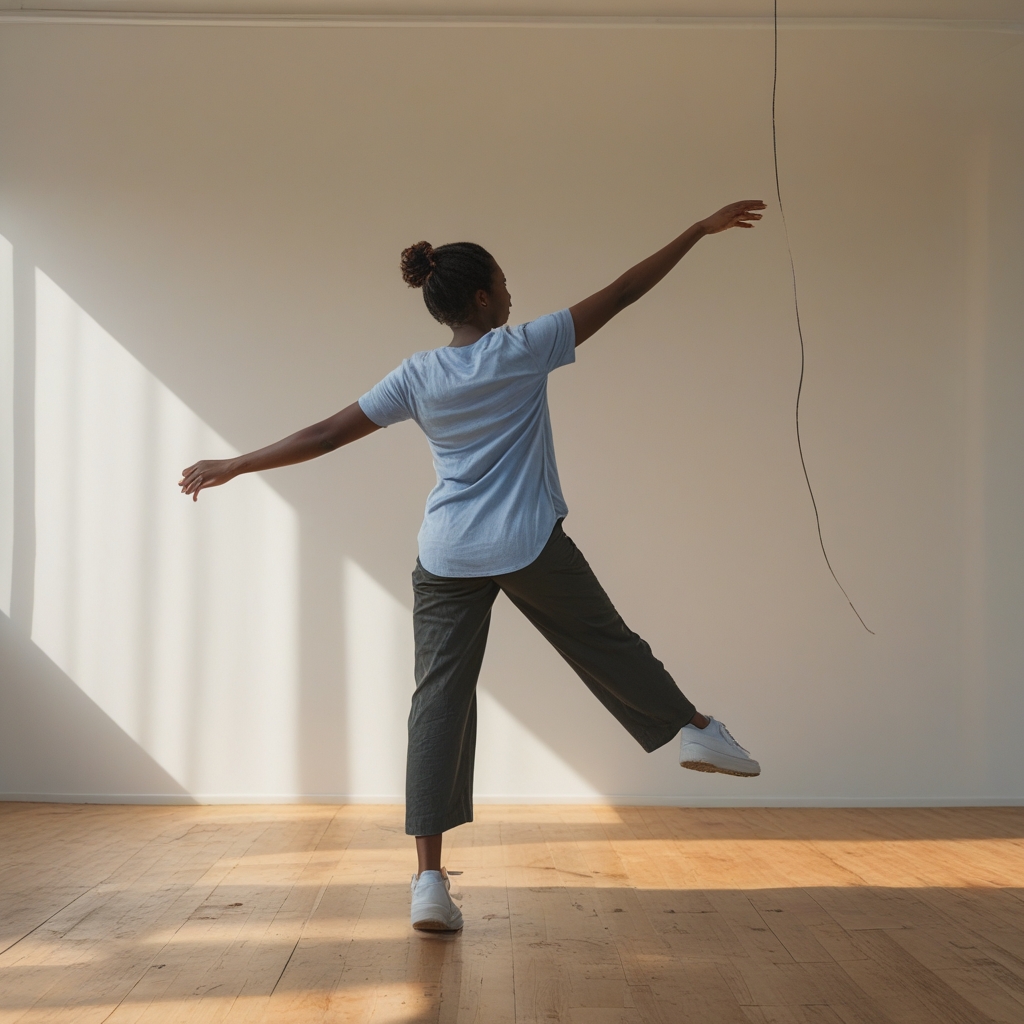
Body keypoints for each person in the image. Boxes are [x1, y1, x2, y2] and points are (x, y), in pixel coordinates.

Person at [179, 198, 767, 932]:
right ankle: (696, 727)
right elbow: (620, 293)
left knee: (437, 703)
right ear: (484, 297)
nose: (514, 293)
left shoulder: (417, 375)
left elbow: (328, 434)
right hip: (524, 540)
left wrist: (235, 463)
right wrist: (695, 231)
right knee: (606, 643)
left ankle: (428, 883)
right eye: (505, 282)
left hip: (447, 551)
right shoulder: (523, 347)